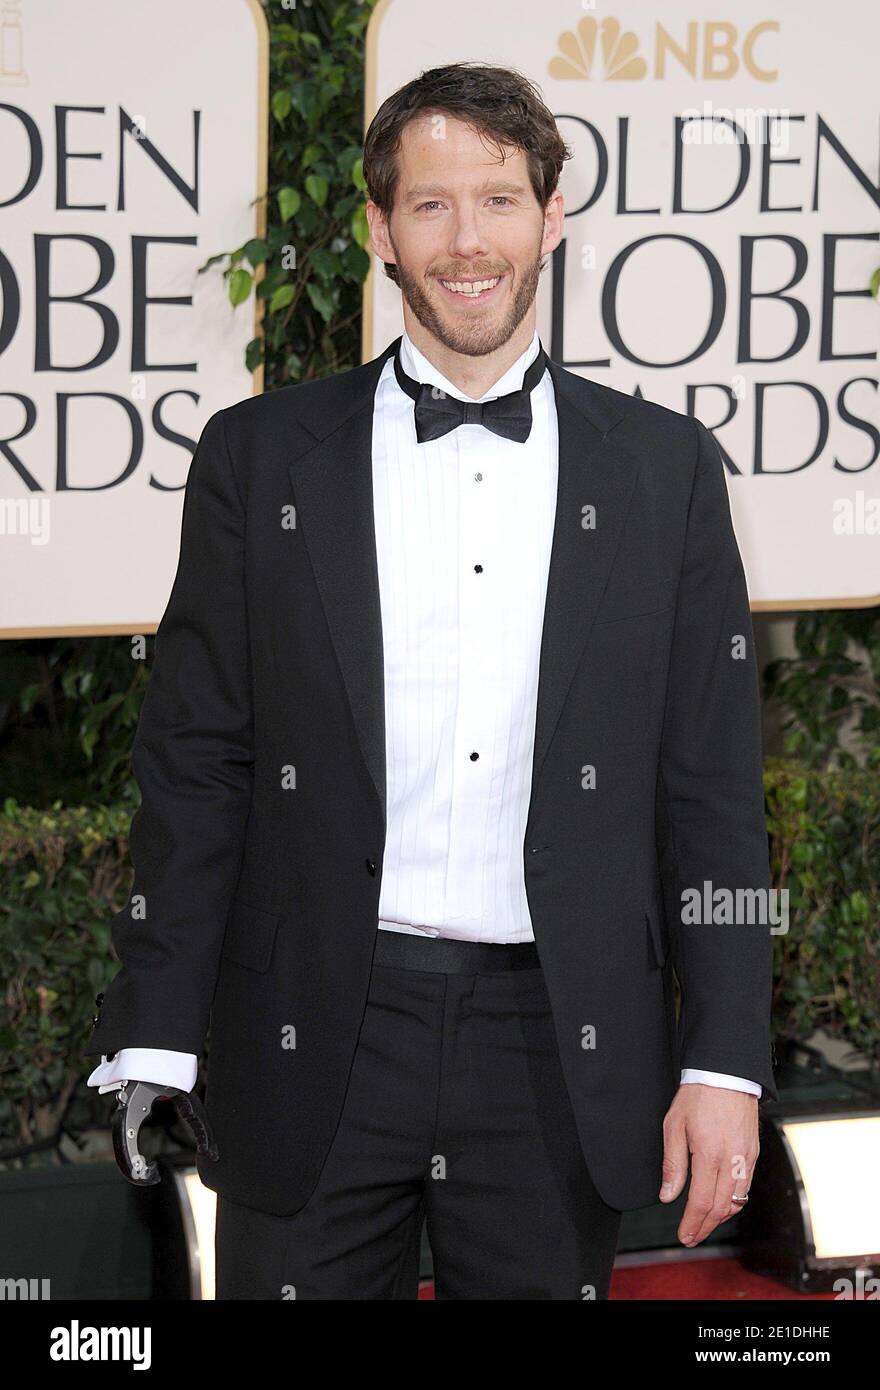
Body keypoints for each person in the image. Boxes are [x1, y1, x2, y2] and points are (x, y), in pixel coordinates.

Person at [85, 62, 777, 1300]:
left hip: (553, 1040)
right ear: (378, 232)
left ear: (552, 217)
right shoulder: (260, 458)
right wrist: (156, 1019)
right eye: (430, 207)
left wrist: (723, 1060)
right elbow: (198, 761)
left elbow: (711, 788)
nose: (470, 242)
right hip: (313, 1028)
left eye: (501, 201)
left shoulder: (667, 471)